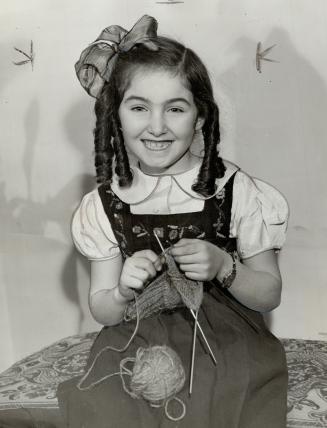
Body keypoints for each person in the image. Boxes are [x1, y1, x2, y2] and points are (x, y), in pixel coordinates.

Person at [57, 15, 289, 428]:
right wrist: (124, 290)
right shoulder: (104, 205)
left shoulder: (234, 189)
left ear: (199, 117)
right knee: (108, 401)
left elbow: (269, 294)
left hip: (224, 341)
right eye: (139, 108)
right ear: (117, 116)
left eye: (176, 108)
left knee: (220, 397)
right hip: (135, 338)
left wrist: (224, 267)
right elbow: (103, 311)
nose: (158, 126)